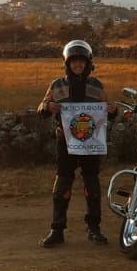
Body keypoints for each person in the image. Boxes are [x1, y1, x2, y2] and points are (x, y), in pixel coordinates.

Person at [36, 39, 116, 247]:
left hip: (91, 143)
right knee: (63, 182)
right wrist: (48, 106)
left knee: (92, 183)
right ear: (67, 63)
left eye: (82, 61)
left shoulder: (97, 86)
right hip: (65, 141)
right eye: (74, 61)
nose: (78, 65)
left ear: (88, 63)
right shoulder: (57, 85)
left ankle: (94, 227)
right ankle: (57, 228)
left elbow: (107, 110)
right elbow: (42, 107)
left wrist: (112, 110)